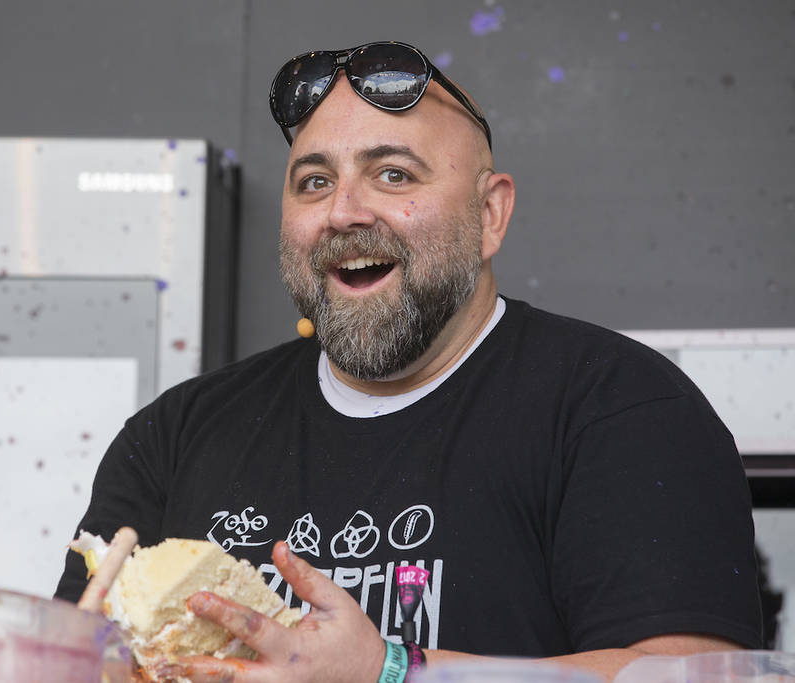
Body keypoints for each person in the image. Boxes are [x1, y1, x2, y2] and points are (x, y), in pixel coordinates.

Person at [56, 41, 762, 681]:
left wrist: (391, 670)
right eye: (312, 181)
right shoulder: (174, 436)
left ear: (490, 215)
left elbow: (691, 678)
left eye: (393, 174)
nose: (343, 211)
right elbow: (70, 661)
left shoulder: (620, 408)